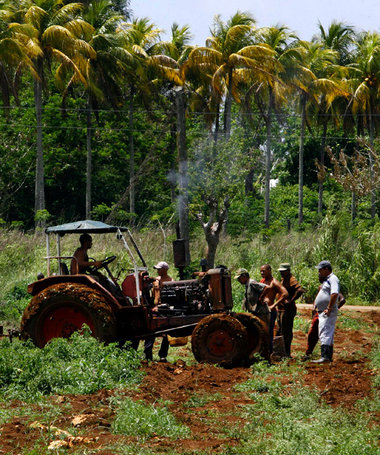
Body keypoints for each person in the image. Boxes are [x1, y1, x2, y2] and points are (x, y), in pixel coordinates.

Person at [303, 276, 345, 360]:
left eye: (320, 275)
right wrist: (314, 307)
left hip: (326, 313)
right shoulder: (321, 288)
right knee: (313, 333)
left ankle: (326, 356)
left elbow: (342, 299)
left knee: (326, 334)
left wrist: (333, 308)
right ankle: (309, 352)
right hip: (319, 313)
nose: (319, 276)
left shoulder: (332, 287)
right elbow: (317, 299)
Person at [144, 261, 174, 362]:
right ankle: (148, 353)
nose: (158, 271)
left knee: (167, 333)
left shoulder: (170, 281)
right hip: (154, 307)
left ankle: (162, 355)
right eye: (157, 269)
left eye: (159, 269)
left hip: (165, 308)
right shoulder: (155, 281)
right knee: (150, 330)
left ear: (165, 270)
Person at [311, 260, 340, 363]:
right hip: (323, 310)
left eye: (320, 270)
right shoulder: (327, 280)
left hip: (327, 311)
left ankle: (325, 357)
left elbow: (334, 294)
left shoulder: (333, 279)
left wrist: (329, 308)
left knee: (325, 332)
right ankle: (328, 356)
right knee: (328, 333)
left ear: (326, 269)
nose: (319, 272)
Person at [276, 263, 305, 357]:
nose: (281, 273)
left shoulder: (291, 279)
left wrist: (291, 300)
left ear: (288, 271)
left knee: (286, 331)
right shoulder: (284, 279)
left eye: (283, 271)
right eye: (280, 271)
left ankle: (286, 353)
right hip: (281, 309)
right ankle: (282, 351)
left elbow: (300, 290)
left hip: (287, 310)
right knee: (280, 330)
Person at [259, 264, 289, 354]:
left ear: (269, 270)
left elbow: (285, 293)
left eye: (263, 271)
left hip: (270, 311)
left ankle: (270, 352)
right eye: (260, 271)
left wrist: (274, 305)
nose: (261, 273)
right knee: (262, 331)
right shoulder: (262, 281)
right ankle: (263, 351)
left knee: (269, 332)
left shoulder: (274, 282)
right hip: (263, 311)